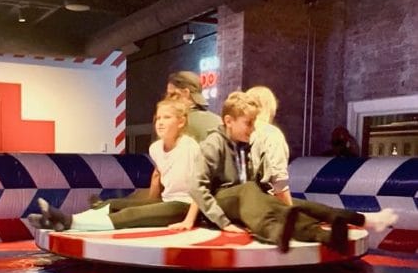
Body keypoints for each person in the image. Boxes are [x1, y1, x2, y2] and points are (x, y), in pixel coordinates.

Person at [187, 90, 398, 252]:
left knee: (301, 205)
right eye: (248, 124)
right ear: (228, 121)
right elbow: (197, 187)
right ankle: (274, 231)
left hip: (246, 197)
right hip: (225, 200)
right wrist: (222, 222)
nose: (252, 129)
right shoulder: (213, 144)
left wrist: (271, 198)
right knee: (254, 193)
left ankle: (327, 234)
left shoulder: (245, 145)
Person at [32, 99, 200, 232]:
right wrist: (151, 203)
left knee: (132, 214)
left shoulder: (189, 147)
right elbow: (158, 176)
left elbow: (201, 187)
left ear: (181, 122)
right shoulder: (155, 148)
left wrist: (189, 220)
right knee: (115, 204)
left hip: (184, 206)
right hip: (167, 200)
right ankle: (58, 220)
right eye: (158, 118)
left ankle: (69, 222)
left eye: (167, 117)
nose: (160, 122)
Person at [246, 85, 292, 206]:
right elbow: (279, 181)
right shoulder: (271, 134)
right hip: (266, 204)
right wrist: (290, 210)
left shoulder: (241, 132)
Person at [166, 71, 221, 142]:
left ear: (186, 93)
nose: (167, 100)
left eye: (172, 94)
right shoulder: (219, 121)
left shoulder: (177, 124)